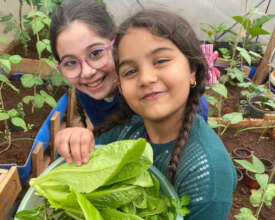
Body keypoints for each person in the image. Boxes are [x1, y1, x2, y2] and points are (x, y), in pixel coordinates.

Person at [55, 9, 236, 220]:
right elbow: (74, 168)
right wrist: (72, 142)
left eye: (160, 61)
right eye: (130, 71)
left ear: (192, 69)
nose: (146, 79)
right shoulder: (126, 129)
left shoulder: (207, 176)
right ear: (120, 85)